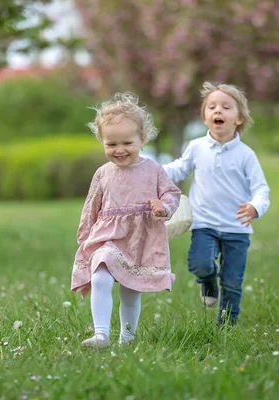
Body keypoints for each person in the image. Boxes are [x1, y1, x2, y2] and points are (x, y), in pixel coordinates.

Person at [71, 92, 181, 348]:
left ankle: (127, 339)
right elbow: (91, 206)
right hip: (108, 237)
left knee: (131, 289)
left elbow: (171, 193)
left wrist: (164, 207)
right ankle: (101, 334)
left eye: (127, 143)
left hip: (140, 239)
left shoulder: (153, 169)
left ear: (142, 140)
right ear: (103, 142)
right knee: (100, 273)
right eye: (111, 145)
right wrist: (85, 239)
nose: (119, 150)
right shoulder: (102, 173)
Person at [163, 81, 270, 326]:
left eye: (225, 107)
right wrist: (152, 171)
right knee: (200, 264)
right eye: (211, 107)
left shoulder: (246, 155)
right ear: (204, 117)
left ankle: (227, 325)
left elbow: (261, 188)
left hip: (237, 228)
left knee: (232, 281)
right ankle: (208, 283)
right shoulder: (197, 147)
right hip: (204, 223)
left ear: (239, 118)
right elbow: (179, 169)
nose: (217, 111)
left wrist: (256, 207)